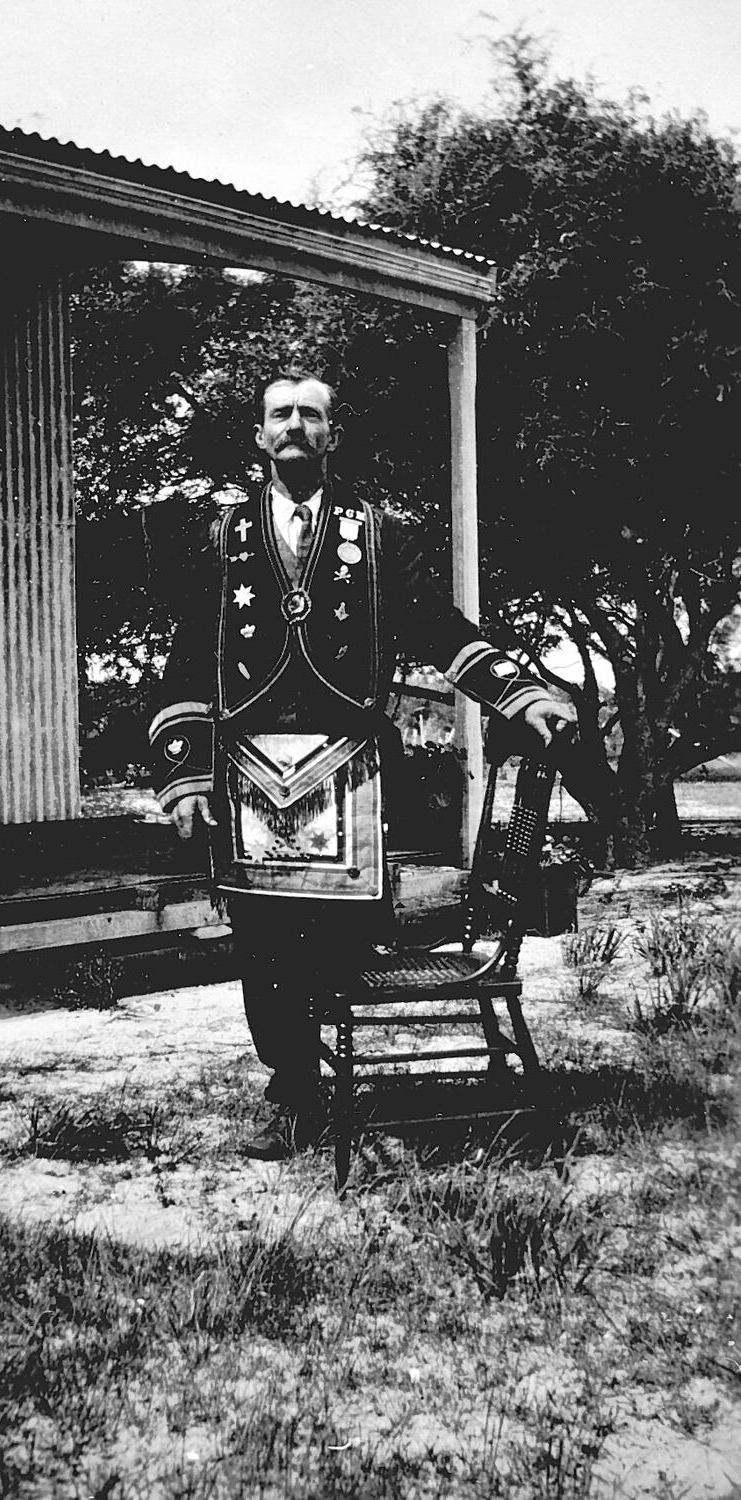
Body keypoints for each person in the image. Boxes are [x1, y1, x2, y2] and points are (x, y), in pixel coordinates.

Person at [148, 372, 577, 1158]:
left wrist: (517, 693)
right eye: (280, 414)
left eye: (309, 415)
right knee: (263, 948)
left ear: (331, 436)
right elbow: (187, 658)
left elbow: (439, 627)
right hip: (248, 782)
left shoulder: (377, 534)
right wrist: (184, 774)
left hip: (350, 780)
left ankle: (336, 1084)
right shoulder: (221, 535)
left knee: (335, 947)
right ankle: (294, 1095)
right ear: (259, 435)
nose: (294, 425)